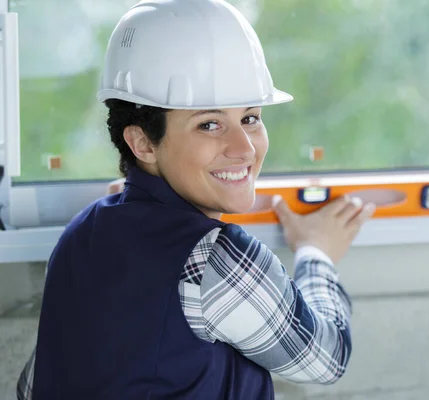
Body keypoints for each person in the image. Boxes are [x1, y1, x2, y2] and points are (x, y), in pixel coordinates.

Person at [16, 0, 375, 399]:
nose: (244, 149)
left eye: (250, 118)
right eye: (209, 124)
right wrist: (316, 252)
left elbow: (36, 386)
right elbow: (326, 359)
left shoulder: (82, 233)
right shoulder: (215, 255)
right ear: (142, 142)